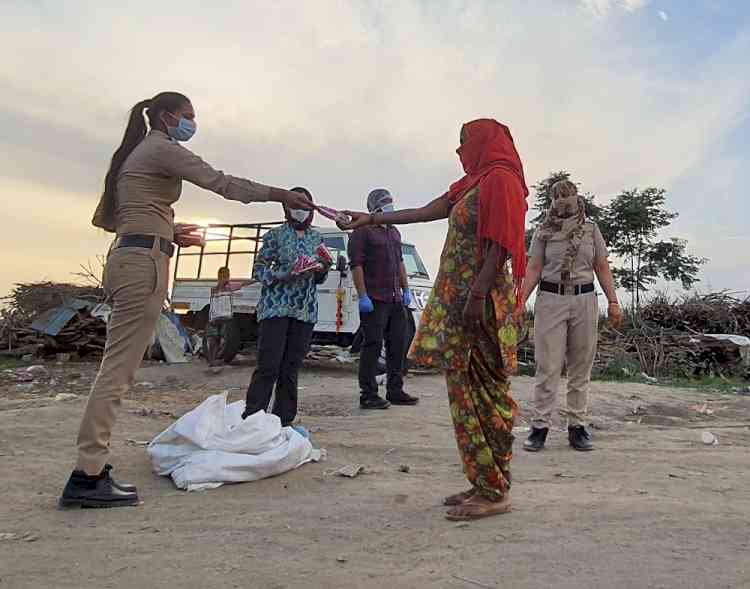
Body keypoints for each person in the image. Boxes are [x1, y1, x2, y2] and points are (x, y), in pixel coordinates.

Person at [59, 91, 313, 509]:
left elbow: (109, 218)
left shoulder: (134, 154)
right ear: (166, 116)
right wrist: (280, 194)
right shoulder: (160, 147)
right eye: (188, 117)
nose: (192, 124)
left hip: (132, 255)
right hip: (143, 263)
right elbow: (222, 182)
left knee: (117, 368)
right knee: (117, 373)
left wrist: (167, 231)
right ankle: (87, 475)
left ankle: (91, 470)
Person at [341, 119, 528, 520]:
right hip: (459, 300)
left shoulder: (501, 180)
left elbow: (502, 245)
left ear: (483, 141)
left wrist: (477, 294)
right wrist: (370, 219)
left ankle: (496, 490)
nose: (459, 151)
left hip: (480, 303)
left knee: (485, 392)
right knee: (463, 390)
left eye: (464, 142)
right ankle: (482, 479)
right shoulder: (471, 185)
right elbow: (426, 212)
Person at [521, 180, 623, 452]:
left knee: (580, 365)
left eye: (569, 198)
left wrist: (613, 301)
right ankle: (539, 427)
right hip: (551, 299)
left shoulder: (591, 229)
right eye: (559, 199)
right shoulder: (543, 231)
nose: (565, 203)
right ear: (552, 202)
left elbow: (601, 265)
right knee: (548, 365)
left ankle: (577, 427)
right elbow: (534, 267)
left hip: (584, 299)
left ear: (578, 199)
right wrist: (518, 301)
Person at [242, 187, 331, 433]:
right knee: (269, 364)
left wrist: (322, 269)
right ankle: (253, 419)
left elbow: (319, 279)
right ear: (286, 208)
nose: (301, 212)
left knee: (291, 367)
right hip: (276, 307)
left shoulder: (317, 238)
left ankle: (284, 421)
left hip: (304, 310)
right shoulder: (275, 236)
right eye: (296, 207)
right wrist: (283, 274)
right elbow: (259, 270)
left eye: (306, 207)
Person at [347, 189, 419, 410]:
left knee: (398, 344)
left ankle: (395, 390)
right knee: (373, 344)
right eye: (385, 202)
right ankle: (368, 394)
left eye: (390, 201)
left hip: (395, 298)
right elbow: (356, 264)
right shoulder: (362, 231)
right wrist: (363, 296)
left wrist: (406, 290)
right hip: (374, 298)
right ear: (374, 206)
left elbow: (400, 263)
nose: (390, 205)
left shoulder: (394, 232)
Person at [205, 266, 242, 374]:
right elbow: (213, 305)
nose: (225, 278)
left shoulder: (226, 287)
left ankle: (214, 361)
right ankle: (213, 361)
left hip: (221, 317)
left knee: (218, 339)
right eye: (224, 276)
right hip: (219, 317)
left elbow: (243, 284)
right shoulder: (218, 289)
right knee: (214, 339)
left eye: (226, 276)